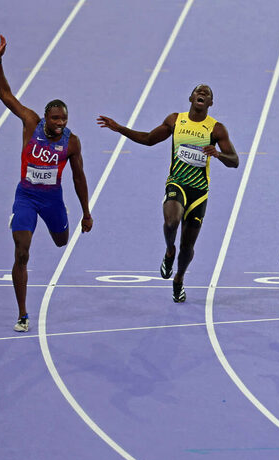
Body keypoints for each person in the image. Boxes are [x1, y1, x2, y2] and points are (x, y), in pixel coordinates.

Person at [97, 84, 239, 302]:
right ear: (191, 97)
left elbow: (235, 162)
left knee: (188, 247)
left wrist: (218, 154)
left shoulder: (216, 129)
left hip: (199, 192)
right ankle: (168, 251)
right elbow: (148, 139)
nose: (202, 93)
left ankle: (179, 279)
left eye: (207, 93)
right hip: (177, 183)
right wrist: (120, 128)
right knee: (171, 222)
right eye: (198, 91)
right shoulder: (175, 120)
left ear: (210, 103)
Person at [0, 35, 93, 332]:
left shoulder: (71, 142)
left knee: (61, 242)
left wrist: (86, 212)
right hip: (25, 196)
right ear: (46, 117)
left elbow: (78, 177)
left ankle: (61, 225)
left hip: (52, 201)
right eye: (55, 119)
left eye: (63, 119)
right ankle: (22, 313)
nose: (59, 123)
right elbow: (4, 95)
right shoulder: (30, 123)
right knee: (21, 252)